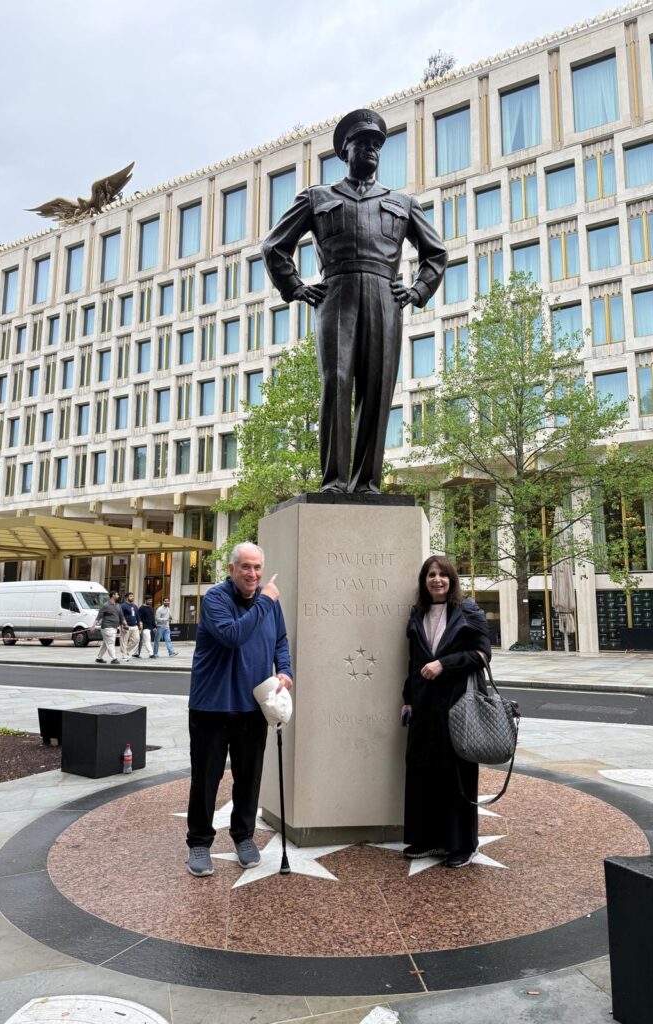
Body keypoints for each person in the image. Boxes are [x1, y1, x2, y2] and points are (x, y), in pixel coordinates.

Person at [262, 108, 447, 494]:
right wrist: (295, 286)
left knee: (378, 388)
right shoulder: (317, 197)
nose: (371, 149)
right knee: (336, 382)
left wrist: (417, 291)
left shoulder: (403, 202)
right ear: (345, 150)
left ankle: (367, 484)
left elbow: (436, 253)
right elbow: (274, 246)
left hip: (385, 296)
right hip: (337, 293)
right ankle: (334, 481)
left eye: (376, 144)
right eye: (363, 143)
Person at [186, 542, 293, 877]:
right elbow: (233, 636)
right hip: (212, 706)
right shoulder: (216, 599)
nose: (252, 574)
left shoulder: (268, 603)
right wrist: (265, 601)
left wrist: (285, 670)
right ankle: (199, 842)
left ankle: (243, 836)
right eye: (246, 567)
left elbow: (280, 640)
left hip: (252, 707)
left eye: (257, 567)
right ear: (231, 569)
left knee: (249, 776)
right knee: (206, 778)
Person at [401, 556, 491, 868]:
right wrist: (407, 698)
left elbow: (483, 654)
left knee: (457, 775)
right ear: (424, 580)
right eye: (430, 574)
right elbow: (413, 661)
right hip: (423, 706)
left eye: (442, 574)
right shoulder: (418, 613)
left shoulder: (468, 610)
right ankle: (428, 838)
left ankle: (463, 844)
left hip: (457, 705)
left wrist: (444, 664)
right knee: (423, 771)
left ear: (451, 580)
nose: (436, 579)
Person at [94, 591, 123, 665]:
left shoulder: (118, 605)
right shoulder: (106, 605)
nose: (118, 596)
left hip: (114, 627)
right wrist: (93, 626)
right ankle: (114, 658)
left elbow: (121, 616)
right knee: (110, 642)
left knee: (105, 644)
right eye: (117, 594)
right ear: (113, 595)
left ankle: (99, 658)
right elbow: (99, 616)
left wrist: (123, 625)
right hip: (107, 627)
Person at [119, 591, 140, 661]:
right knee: (124, 641)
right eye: (131, 596)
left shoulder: (135, 606)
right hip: (126, 625)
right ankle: (124, 655)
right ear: (126, 598)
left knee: (136, 639)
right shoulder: (123, 606)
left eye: (133, 596)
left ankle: (126, 650)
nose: (132, 597)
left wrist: (140, 623)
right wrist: (123, 625)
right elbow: (121, 616)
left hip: (134, 625)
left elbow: (137, 615)